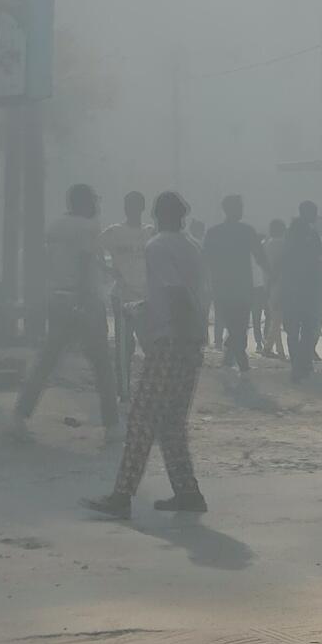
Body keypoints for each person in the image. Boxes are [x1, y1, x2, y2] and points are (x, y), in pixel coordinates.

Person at [82, 190, 207, 520]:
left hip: (170, 340)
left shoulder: (157, 246)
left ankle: (122, 495)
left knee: (141, 417)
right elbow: (186, 293)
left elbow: (174, 293)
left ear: (156, 215)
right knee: (171, 422)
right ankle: (188, 492)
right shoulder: (192, 246)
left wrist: (164, 334)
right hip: (192, 339)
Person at [13, 183, 119, 437]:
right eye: (94, 200)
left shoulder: (55, 226)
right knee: (102, 364)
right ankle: (112, 425)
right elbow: (83, 262)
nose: (97, 205)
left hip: (58, 297)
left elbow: (56, 261)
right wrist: (83, 299)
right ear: (85, 202)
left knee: (47, 360)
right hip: (84, 300)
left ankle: (20, 415)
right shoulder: (88, 227)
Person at [203, 194, 264, 373]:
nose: (241, 210)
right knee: (238, 325)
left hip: (224, 286)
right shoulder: (246, 231)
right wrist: (272, 274)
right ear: (232, 209)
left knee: (236, 325)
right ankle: (242, 362)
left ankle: (229, 360)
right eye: (239, 207)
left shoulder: (214, 233)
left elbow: (205, 260)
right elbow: (260, 256)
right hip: (240, 287)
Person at [101, 191, 150, 400]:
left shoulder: (150, 232)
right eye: (129, 205)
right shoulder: (114, 232)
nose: (131, 209)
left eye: (135, 205)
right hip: (122, 295)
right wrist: (109, 270)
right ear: (125, 208)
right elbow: (92, 249)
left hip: (145, 297)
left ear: (142, 208)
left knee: (150, 344)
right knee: (124, 347)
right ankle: (123, 392)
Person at [278, 201, 322, 379]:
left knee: (296, 329)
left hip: (296, 286)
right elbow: (316, 254)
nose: (316, 215)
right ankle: (301, 364)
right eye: (314, 212)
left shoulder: (295, 232)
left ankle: (299, 364)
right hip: (304, 287)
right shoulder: (305, 233)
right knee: (305, 327)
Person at [258, 218, 287, 357]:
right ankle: (268, 348)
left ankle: (279, 350)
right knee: (277, 319)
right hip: (281, 284)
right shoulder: (285, 245)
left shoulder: (265, 245)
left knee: (275, 318)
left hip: (267, 284)